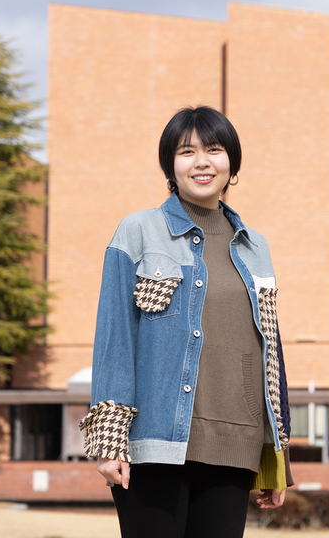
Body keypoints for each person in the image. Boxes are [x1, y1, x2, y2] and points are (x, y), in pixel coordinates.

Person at [80, 106, 292, 538]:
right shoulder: (138, 232)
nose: (201, 162)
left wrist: (278, 457)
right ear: (170, 166)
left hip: (236, 446)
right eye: (186, 151)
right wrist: (108, 443)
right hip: (154, 444)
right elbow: (115, 342)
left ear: (230, 163)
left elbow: (270, 355)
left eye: (214, 150)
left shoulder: (256, 248)